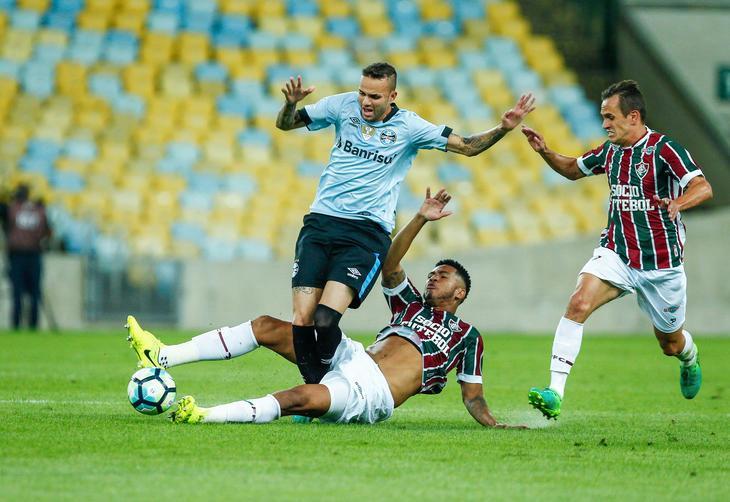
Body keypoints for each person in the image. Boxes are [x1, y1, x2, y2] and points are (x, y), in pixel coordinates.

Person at [127, 189, 526, 428]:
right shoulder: (411, 307)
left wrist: (495, 423)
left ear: (461, 294)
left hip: (372, 392)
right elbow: (389, 265)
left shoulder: (468, 337)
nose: (434, 277)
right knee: (267, 325)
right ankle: (163, 354)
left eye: (445, 276)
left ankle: (204, 415)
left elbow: (472, 395)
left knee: (300, 397)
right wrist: (420, 218)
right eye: (434, 271)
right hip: (352, 355)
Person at [275, 61, 536, 387]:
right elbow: (285, 125)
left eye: (374, 96)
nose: (365, 102)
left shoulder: (410, 127)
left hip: (366, 232)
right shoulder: (341, 105)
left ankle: (322, 390)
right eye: (362, 93)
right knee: (302, 318)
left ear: (392, 95)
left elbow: (468, 147)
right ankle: (320, 391)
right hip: (321, 222)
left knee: (326, 320)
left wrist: (503, 128)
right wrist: (290, 104)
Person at [521, 80, 713, 419]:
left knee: (669, 343)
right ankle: (555, 392)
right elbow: (572, 169)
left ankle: (690, 356)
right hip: (617, 253)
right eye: (603, 117)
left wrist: (678, 203)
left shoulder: (664, 149)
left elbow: (703, 186)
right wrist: (546, 151)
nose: (605, 124)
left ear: (633, 116)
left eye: (610, 117)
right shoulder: (610, 152)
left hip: (661, 264)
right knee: (579, 302)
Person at [0, 184, 52, 330]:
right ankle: (33, 325)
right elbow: (48, 232)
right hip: (34, 255)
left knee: (17, 293)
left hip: (17, 256)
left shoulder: (11, 209)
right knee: (34, 293)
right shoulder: (39, 209)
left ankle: (16, 325)